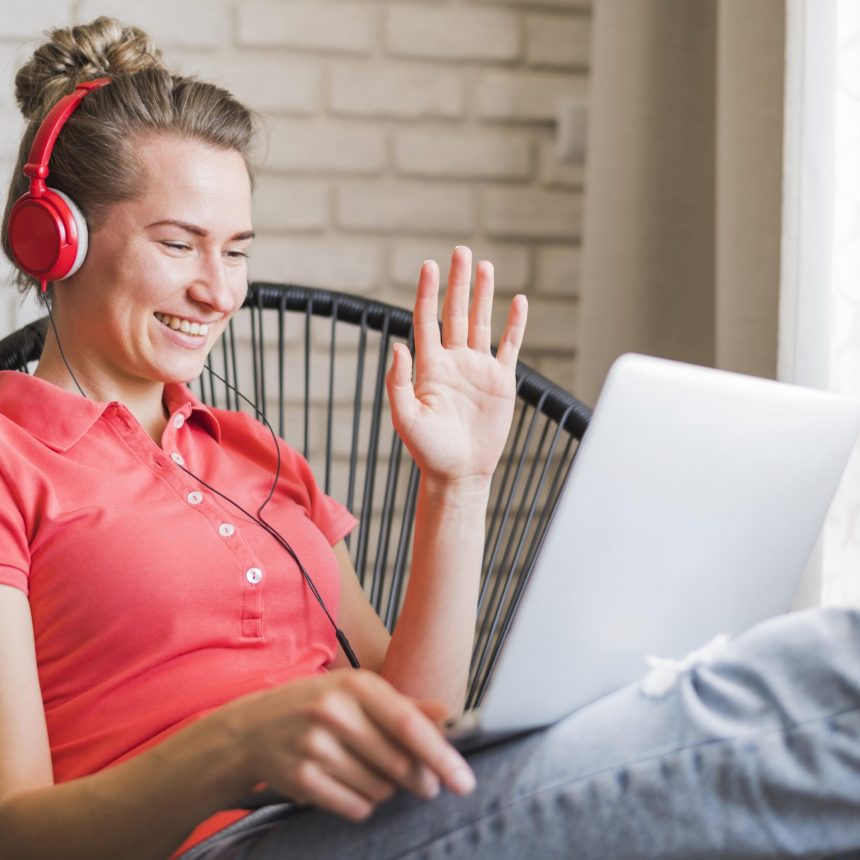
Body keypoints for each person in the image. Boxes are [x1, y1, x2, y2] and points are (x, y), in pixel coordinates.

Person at [3, 17, 860, 860]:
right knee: (821, 682)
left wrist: (460, 485)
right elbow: (14, 827)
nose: (218, 292)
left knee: (785, 676)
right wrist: (232, 750)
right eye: (179, 244)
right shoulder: (10, 460)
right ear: (54, 238)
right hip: (228, 844)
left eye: (237, 252)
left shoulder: (254, 458)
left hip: (382, 824)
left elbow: (415, 719)